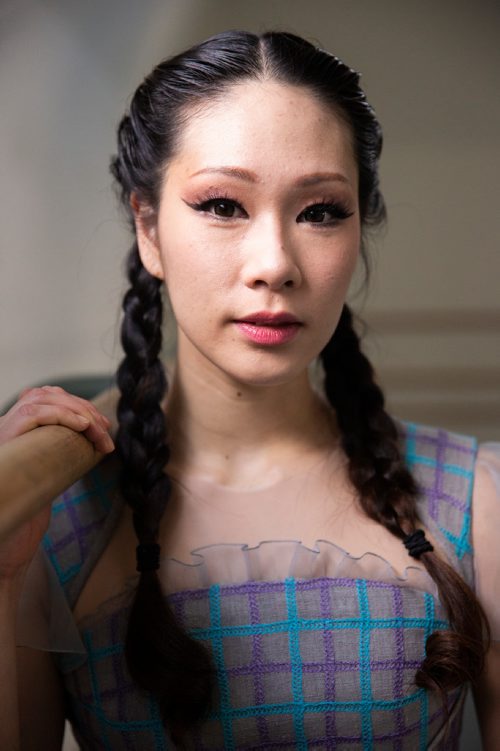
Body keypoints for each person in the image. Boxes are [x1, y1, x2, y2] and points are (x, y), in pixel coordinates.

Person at [0, 29, 499, 750]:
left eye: (320, 211)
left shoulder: (473, 502)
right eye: (222, 206)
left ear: (358, 229)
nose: (275, 263)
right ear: (148, 228)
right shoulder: (55, 525)